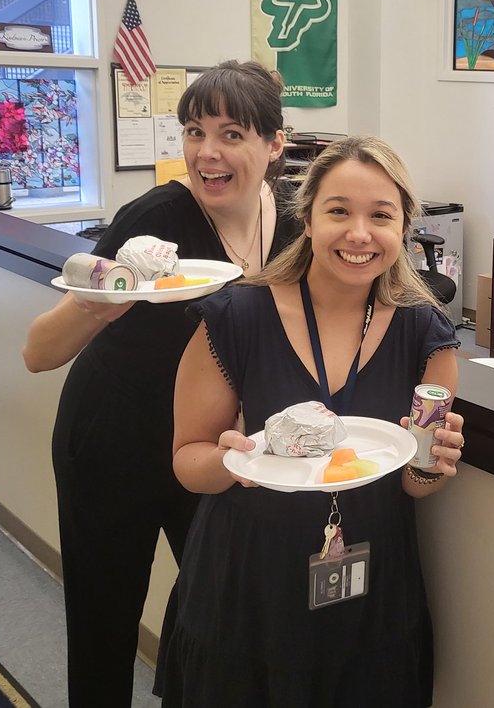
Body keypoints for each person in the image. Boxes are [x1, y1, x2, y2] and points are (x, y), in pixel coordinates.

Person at [22, 60, 302, 707]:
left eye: (231, 134)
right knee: (105, 619)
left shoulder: (292, 223)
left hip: (202, 448)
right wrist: (100, 303)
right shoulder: (154, 219)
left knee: (216, 612)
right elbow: (39, 352)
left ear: (274, 144)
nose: (207, 152)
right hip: (111, 441)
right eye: (194, 132)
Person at [156, 136, 463, 706]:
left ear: (403, 227)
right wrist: (231, 459)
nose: (359, 234)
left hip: (372, 584)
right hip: (250, 579)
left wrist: (433, 464)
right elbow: (187, 462)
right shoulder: (237, 316)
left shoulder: (426, 332)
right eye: (339, 211)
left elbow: (414, 484)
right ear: (308, 218)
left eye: (381, 216)